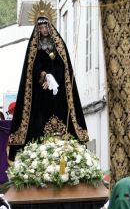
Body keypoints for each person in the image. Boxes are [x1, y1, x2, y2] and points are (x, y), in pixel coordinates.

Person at [8, 12, 88, 160]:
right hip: (41, 93)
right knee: (38, 120)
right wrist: (44, 75)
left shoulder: (59, 45)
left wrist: (54, 76)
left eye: (46, 26)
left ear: (49, 27)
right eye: (41, 27)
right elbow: (31, 68)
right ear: (38, 29)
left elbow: (64, 66)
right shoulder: (34, 47)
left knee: (63, 115)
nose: (44, 30)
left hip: (58, 92)